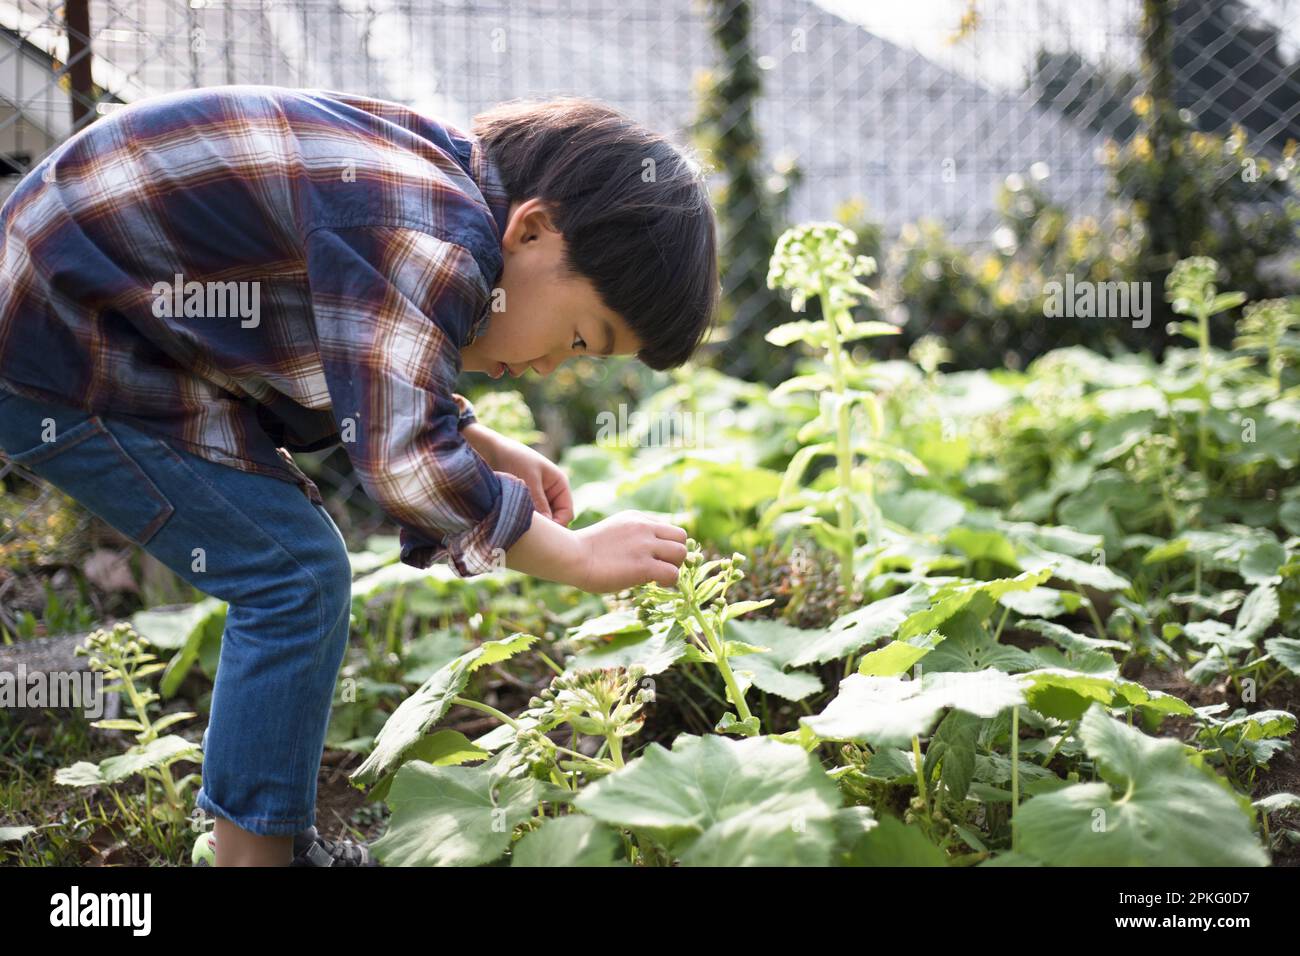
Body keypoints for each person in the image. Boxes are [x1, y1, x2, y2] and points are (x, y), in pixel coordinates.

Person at [0, 86, 719, 866]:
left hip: (99, 318)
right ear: (535, 229)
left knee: (294, 570)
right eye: (580, 338)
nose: (549, 367)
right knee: (294, 578)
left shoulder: (434, 191)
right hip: (64, 339)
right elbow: (408, 462)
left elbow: (363, 350)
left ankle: (264, 841)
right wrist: (574, 556)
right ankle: (257, 856)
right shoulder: (434, 231)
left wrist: (485, 442)